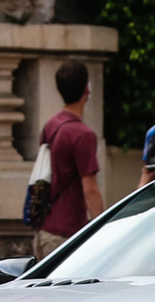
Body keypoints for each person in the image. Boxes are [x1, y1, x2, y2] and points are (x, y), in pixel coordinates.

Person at [33, 59, 104, 259]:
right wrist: (102, 228)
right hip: (67, 233)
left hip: (45, 228)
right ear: (87, 89)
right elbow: (90, 189)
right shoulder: (83, 134)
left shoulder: (51, 125)